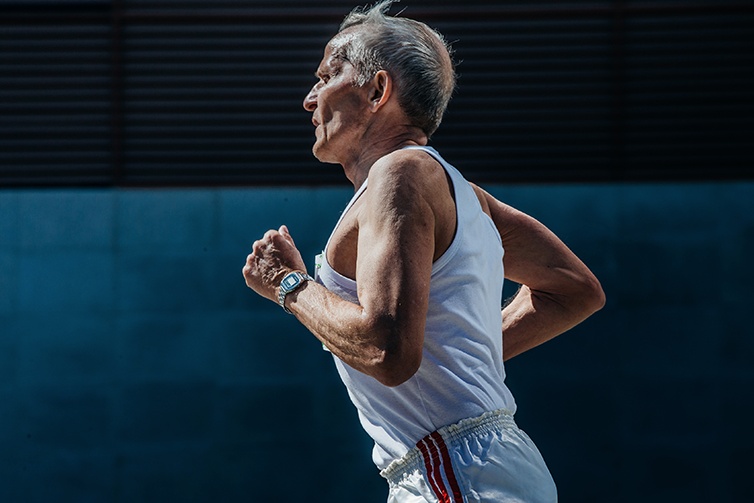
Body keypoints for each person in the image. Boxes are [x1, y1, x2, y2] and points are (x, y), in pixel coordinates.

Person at [243, 1, 605, 501]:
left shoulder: (399, 173)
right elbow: (574, 290)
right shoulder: (462, 193)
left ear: (377, 90)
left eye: (327, 75)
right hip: (475, 466)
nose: (309, 99)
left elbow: (385, 351)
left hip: (453, 471)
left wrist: (288, 284)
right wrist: (463, 354)